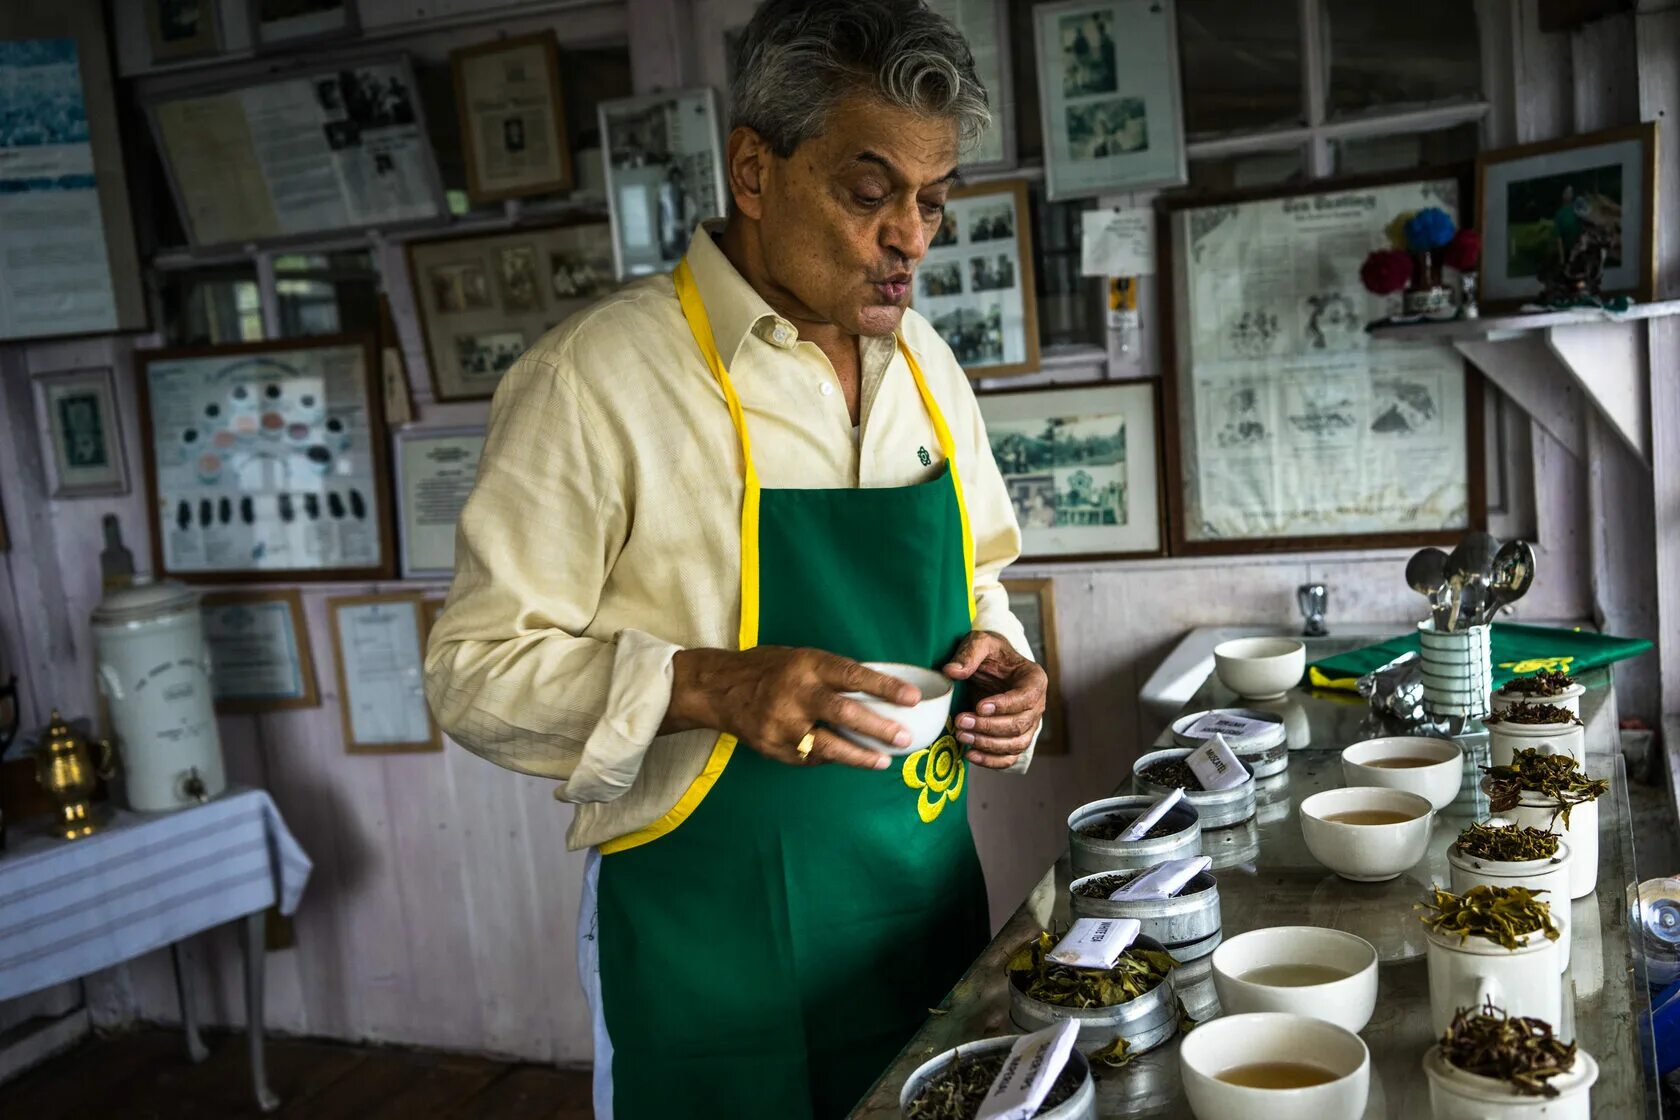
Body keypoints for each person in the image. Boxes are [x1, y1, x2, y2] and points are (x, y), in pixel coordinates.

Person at [423, 2, 1046, 1117]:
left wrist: (1006, 663)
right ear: (753, 171)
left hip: (920, 905)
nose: (910, 236)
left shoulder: (929, 369)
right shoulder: (597, 380)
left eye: (933, 202)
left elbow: (983, 576)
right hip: (710, 938)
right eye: (870, 193)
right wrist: (712, 680)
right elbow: (471, 671)